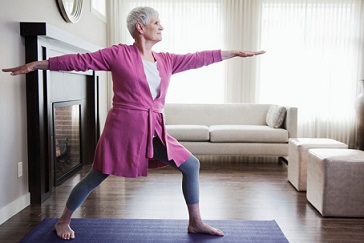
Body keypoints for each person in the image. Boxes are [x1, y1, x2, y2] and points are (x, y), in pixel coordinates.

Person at [3, 6, 265, 240]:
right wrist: (39, 64)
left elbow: (198, 58)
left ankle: (195, 222)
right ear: (140, 27)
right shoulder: (118, 54)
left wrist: (232, 53)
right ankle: (63, 220)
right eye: (156, 23)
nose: (162, 27)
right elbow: (80, 60)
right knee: (97, 175)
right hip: (122, 128)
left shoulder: (166, 61)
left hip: (153, 128)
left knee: (191, 165)